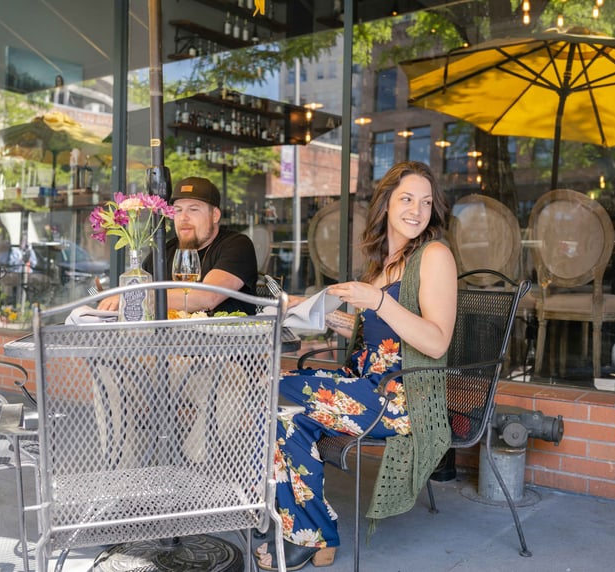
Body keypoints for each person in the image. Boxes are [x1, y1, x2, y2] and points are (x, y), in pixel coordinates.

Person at [256, 161, 457, 570]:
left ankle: (307, 532)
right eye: (406, 199)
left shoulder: (434, 255)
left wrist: (377, 300)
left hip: (402, 399)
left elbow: (437, 343)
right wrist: (319, 312)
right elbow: (383, 336)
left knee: (276, 394)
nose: (417, 210)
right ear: (386, 204)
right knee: (281, 404)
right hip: (365, 386)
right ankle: (311, 534)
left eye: (425, 202)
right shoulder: (385, 262)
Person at [98, 176, 258, 315]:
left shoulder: (236, 245)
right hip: (169, 340)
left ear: (215, 215)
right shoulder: (162, 253)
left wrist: (131, 298)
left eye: (193, 210)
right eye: (178, 210)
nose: (183, 217)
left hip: (227, 340)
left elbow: (208, 297)